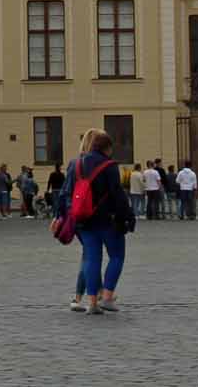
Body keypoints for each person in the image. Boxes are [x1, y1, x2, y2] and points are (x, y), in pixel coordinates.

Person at [71, 129, 132, 315]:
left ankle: (92, 303)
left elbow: (69, 192)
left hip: (84, 220)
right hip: (107, 220)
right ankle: (107, 296)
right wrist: (127, 216)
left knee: (91, 259)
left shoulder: (77, 164)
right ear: (107, 148)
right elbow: (117, 194)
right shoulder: (109, 166)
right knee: (117, 256)